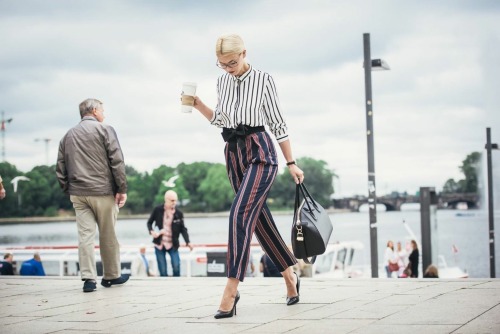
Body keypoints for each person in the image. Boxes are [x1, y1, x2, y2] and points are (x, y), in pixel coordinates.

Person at [192, 33, 304, 319]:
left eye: (231, 62)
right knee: (259, 221)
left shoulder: (264, 79)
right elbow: (221, 120)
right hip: (233, 153)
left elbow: (278, 122)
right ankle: (290, 275)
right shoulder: (222, 81)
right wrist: (197, 104)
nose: (227, 68)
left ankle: (231, 290)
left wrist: (291, 162)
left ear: (244, 53)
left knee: (239, 214)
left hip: (261, 153)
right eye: (222, 64)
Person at [56, 98, 129, 293]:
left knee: (85, 237)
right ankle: (111, 275)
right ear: (95, 110)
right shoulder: (105, 130)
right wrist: (121, 189)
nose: (104, 114)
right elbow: (117, 161)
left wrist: (69, 189)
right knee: (108, 235)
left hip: (78, 194)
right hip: (102, 191)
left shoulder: (68, 135)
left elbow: (60, 168)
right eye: (103, 110)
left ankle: (89, 279)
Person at [146, 190, 193, 277]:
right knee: (163, 270)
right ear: (166, 200)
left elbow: (183, 229)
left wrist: (188, 242)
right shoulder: (157, 210)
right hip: (159, 243)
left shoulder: (179, 214)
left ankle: (176, 286)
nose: (174, 202)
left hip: (173, 243)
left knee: (176, 266)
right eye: (172, 200)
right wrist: (152, 231)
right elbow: (149, 223)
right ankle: (164, 288)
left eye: (175, 200)